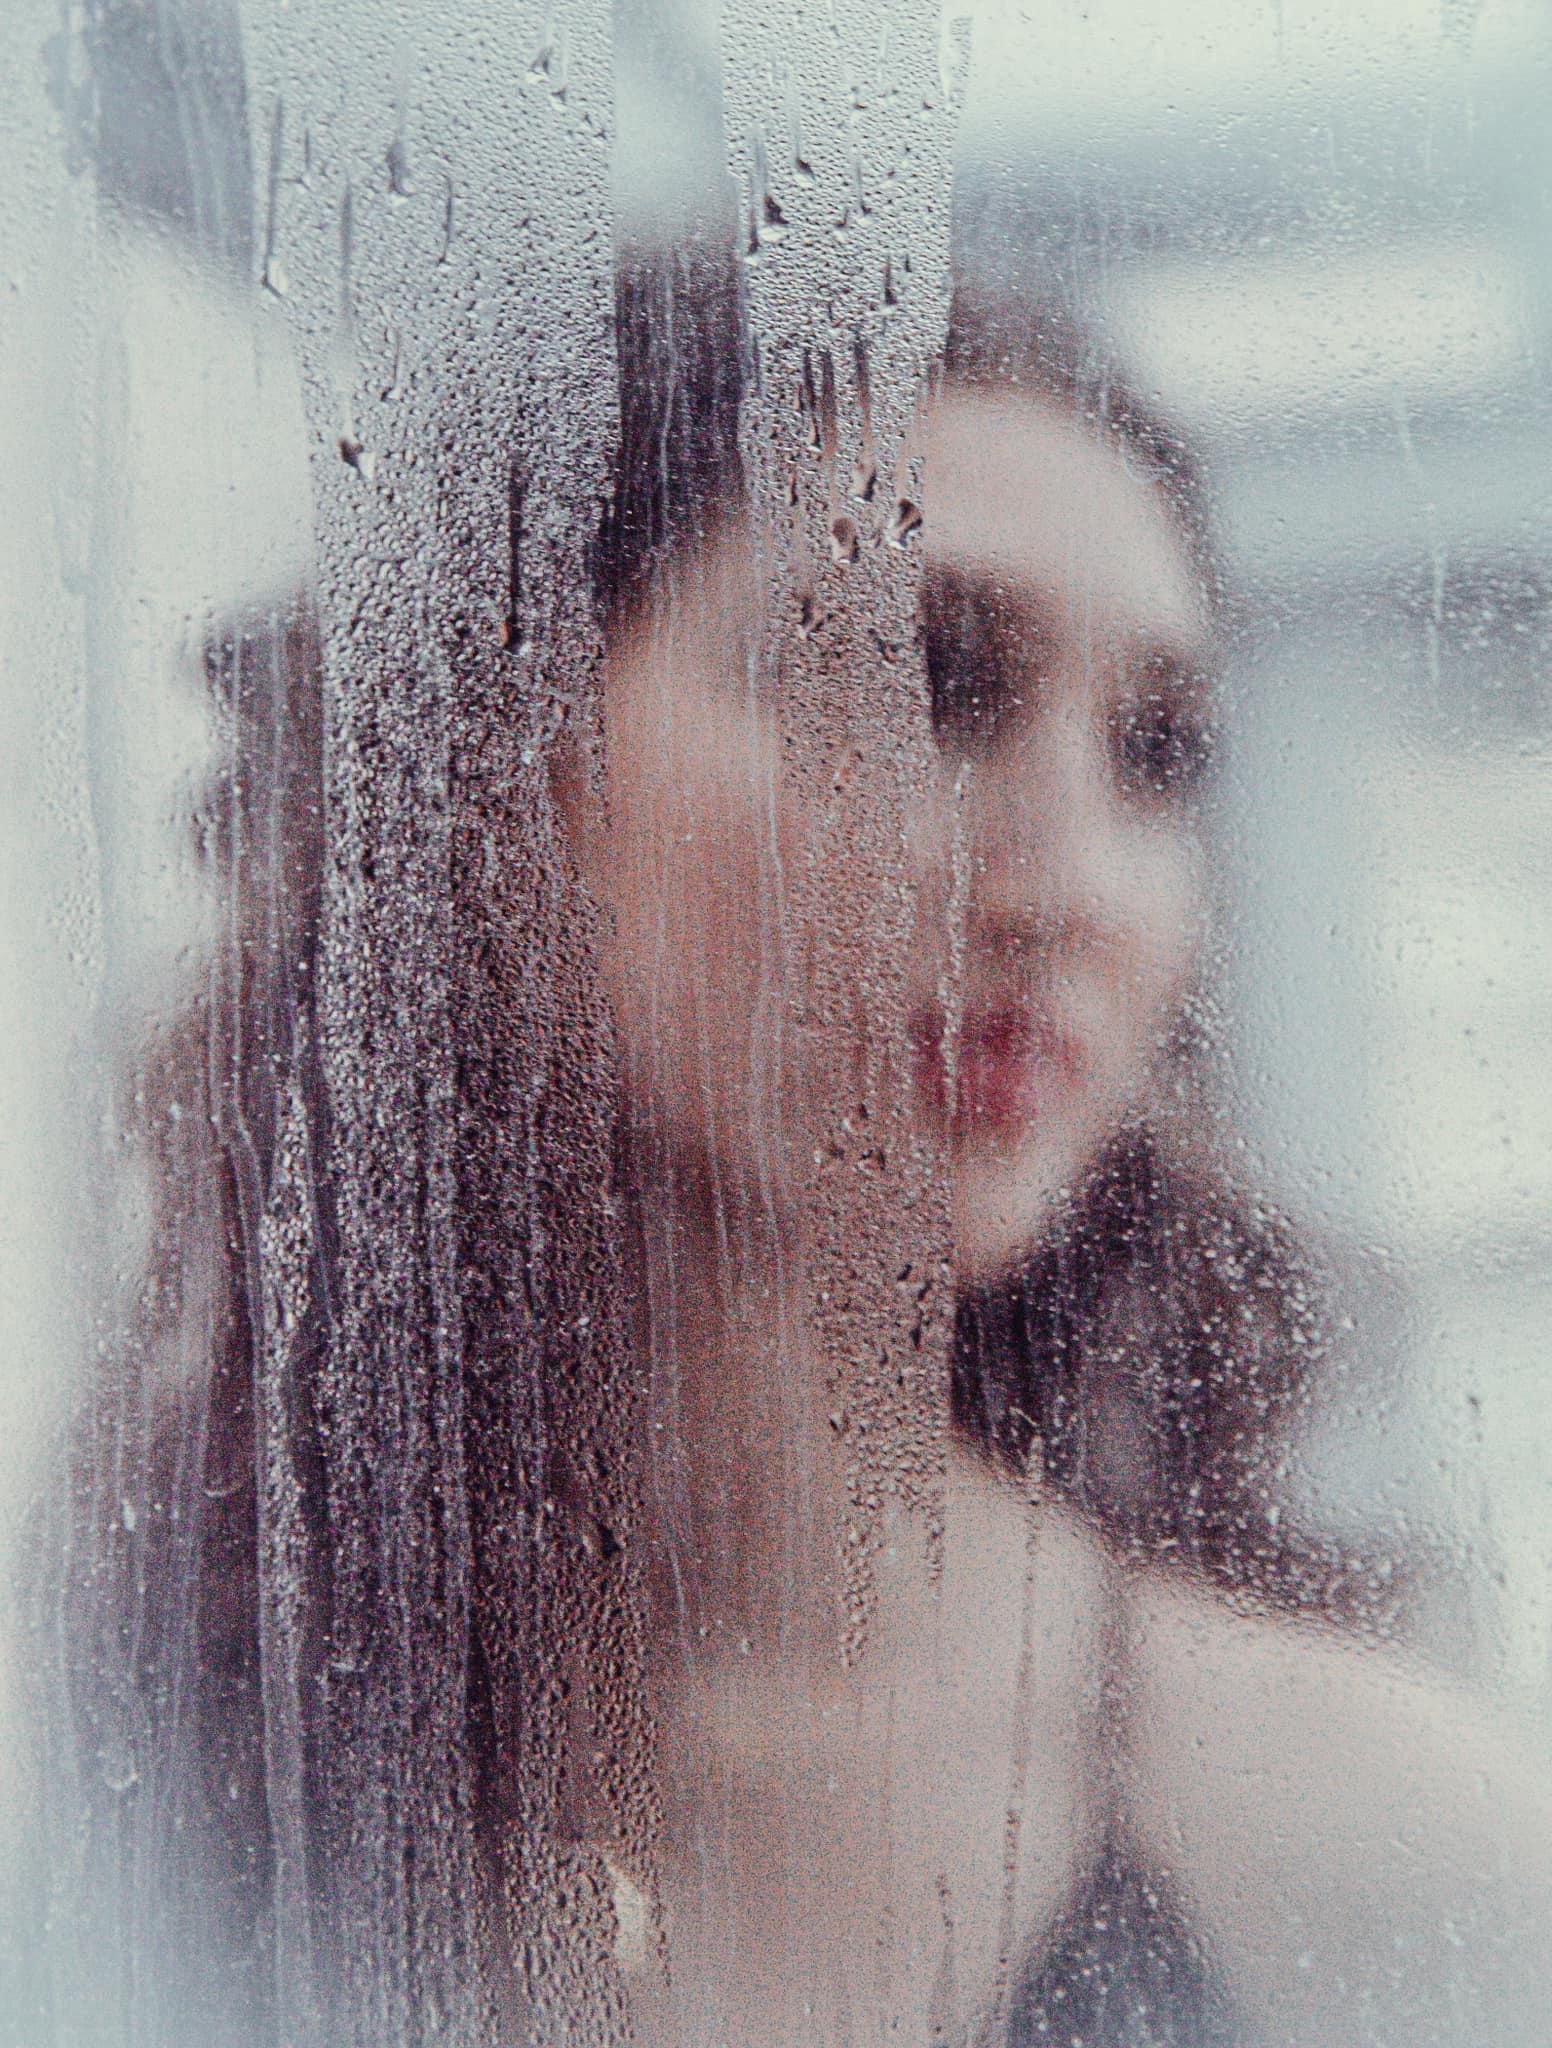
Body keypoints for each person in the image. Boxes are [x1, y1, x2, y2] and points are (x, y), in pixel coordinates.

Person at [542, 257, 1552, 2047]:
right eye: (915, 680)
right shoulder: (167, 1751)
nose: (1076, 885)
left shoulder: (1374, 1839)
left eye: (1159, 753)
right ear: (506, 775)